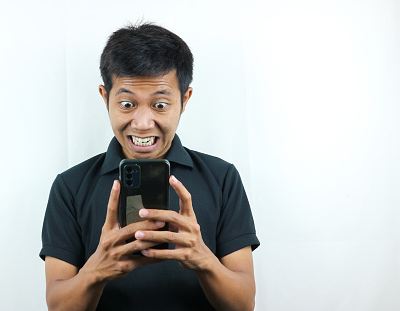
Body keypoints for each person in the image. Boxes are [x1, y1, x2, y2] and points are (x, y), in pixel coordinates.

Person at [40, 23, 260, 311]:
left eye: (159, 105)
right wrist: (96, 270)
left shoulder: (222, 178)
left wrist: (203, 259)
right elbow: (58, 306)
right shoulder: (70, 186)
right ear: (106, 98)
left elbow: (244, 305)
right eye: (128, 103)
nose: (142, 124)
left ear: (185, 100)